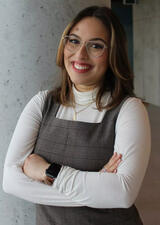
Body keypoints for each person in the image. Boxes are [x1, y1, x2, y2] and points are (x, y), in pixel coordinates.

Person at [3, 5, 151, 225]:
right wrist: (96, 188)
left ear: (113, 53)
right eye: (74, 41)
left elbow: (122, 194)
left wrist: (47, 171)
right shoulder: (41, 103)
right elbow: (11, 182)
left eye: (96, 46)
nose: (80, 54)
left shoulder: (129, 109)